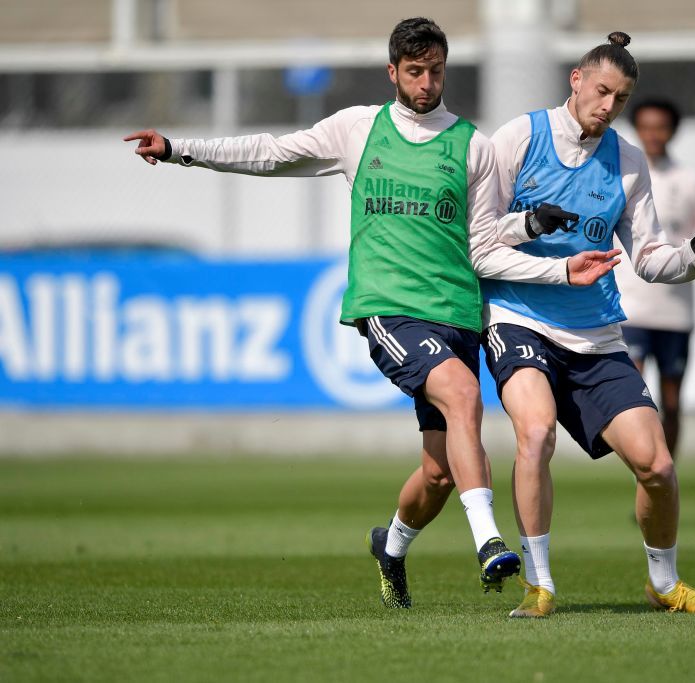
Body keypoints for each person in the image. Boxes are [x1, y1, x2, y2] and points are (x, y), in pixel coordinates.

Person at [124, 17, 620, 610]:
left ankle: (392, 545)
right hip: (390, 308)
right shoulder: (359, 129)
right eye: (414, 72)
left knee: (438, 475)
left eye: (435, 71)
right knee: (464, 397)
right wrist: (183, 150)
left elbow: (482, 239)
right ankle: (489, 543)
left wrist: (532, 229)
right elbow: (272, 153)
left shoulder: (472, 144)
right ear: (393, 72)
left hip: (456, 314)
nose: (426, 83)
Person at [481, 31, 695, 618]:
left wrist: (693, 255)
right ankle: (539, 585)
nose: (607, 107)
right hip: (519, 316)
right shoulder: (519, 137)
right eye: (600, 91)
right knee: (536, 433)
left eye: (618, 99)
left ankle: (665, 585)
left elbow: (647, 258)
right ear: (575, 79)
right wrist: (530, 225)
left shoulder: (626, 161)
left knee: (658, 465)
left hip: (596, 332)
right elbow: (481, 235)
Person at [616, 98, 695, 460]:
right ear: (637, 129)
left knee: (673, 403)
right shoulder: (623, 176)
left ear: (672, 131)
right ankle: (646, 478)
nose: (653, 134)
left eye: (660, 127)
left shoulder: (690, 182)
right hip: (631, 309)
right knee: (634, 402)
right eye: (646, 126)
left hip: (675, 312)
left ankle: (666, 478)